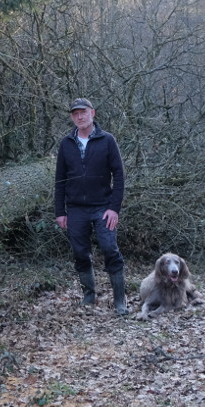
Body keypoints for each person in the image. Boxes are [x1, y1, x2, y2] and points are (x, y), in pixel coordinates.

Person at [54, 97, 128, 315]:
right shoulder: (66, 143)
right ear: (72, 117)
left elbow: (120, 176)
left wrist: (114, 208)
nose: (79, 116)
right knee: (80, 252)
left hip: (103, 207)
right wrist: (60, 212)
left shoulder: (107, 140)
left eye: (83, 112)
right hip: (76, 209)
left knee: (109, 248)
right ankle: (89, 295)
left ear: (92, 113)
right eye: (75, 113)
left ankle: (120, 300)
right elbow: (59, 180)